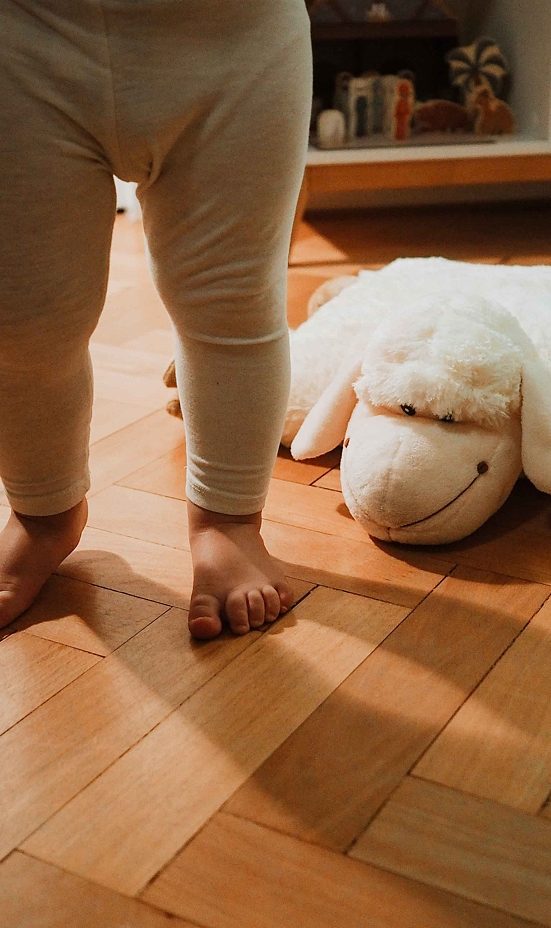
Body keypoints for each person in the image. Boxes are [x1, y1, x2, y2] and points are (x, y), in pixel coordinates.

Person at [0, 0, 313, 639]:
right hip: (26, 35)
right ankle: (43, 511)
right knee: (20, 322)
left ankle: (227, 523)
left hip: (240, 38)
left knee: (232, 305)